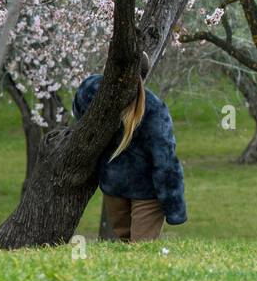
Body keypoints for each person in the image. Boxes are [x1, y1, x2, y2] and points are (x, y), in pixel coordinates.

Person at [72, 70, 187, 241]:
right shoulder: (154, 108)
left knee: (127, 247)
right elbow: (165, 161)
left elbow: (78, 116)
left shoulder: (89, 91)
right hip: (144, 190)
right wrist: (175, 207)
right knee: (140, 250)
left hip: (114, 186)